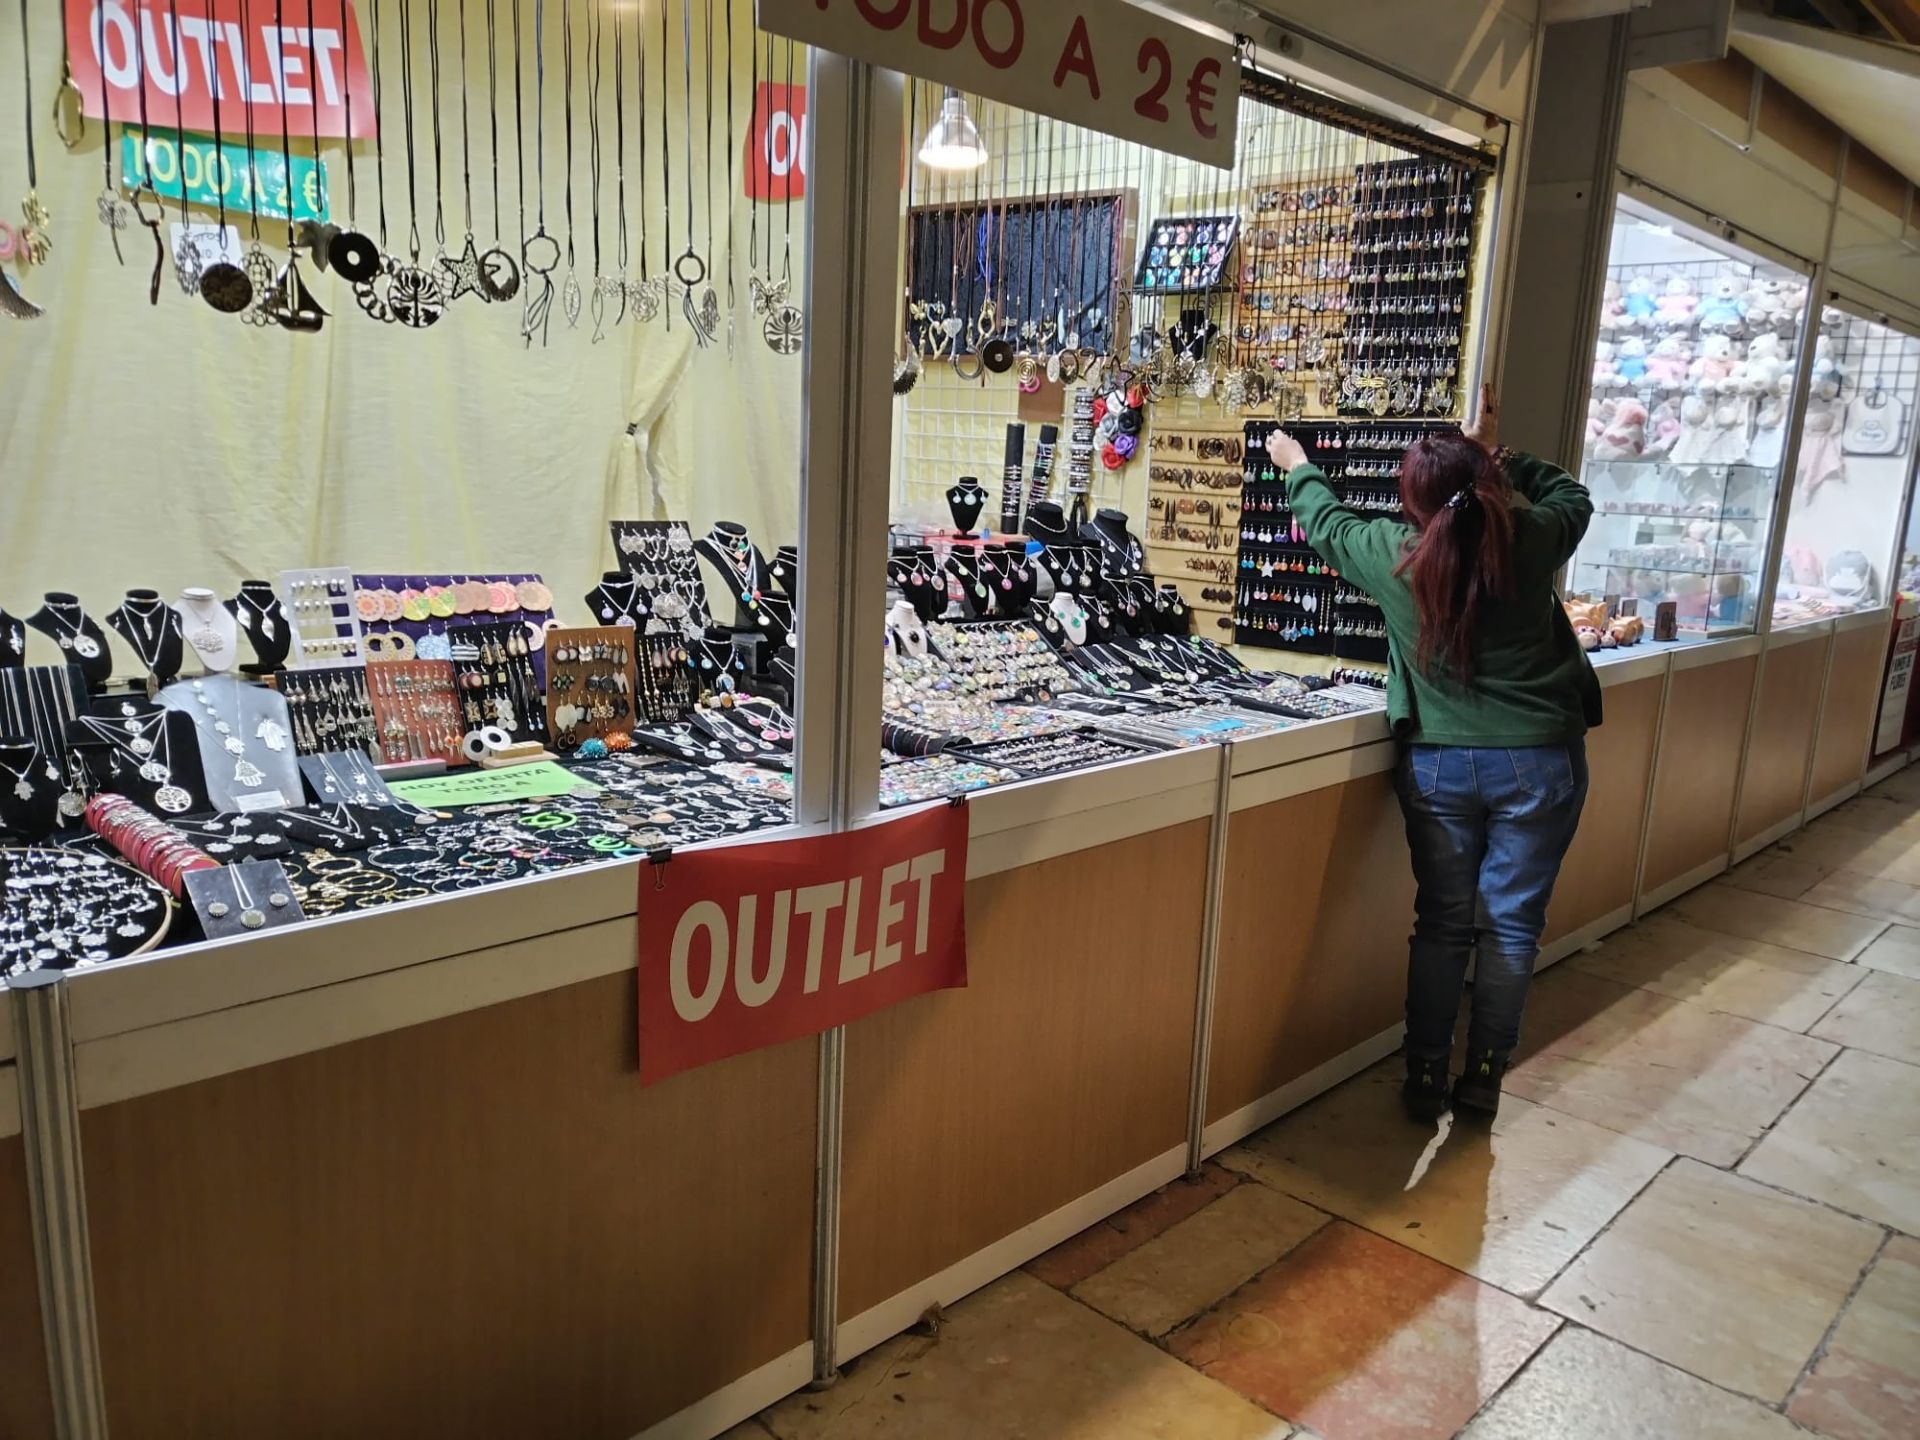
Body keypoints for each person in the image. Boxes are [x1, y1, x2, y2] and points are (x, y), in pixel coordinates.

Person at [1265, 388, 1600, 1120]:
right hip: (1540, 761)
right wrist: (1495, 453)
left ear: (1412, 504)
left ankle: (1423, 1072)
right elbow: (1572, 493)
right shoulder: (1535, 539)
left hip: (1439, 766)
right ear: (1484, 486)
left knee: (1443, 923)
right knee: (1512, 926)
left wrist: (1295, 462)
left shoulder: (1393, 557)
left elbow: (1325, 522)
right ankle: (1482, 1076)